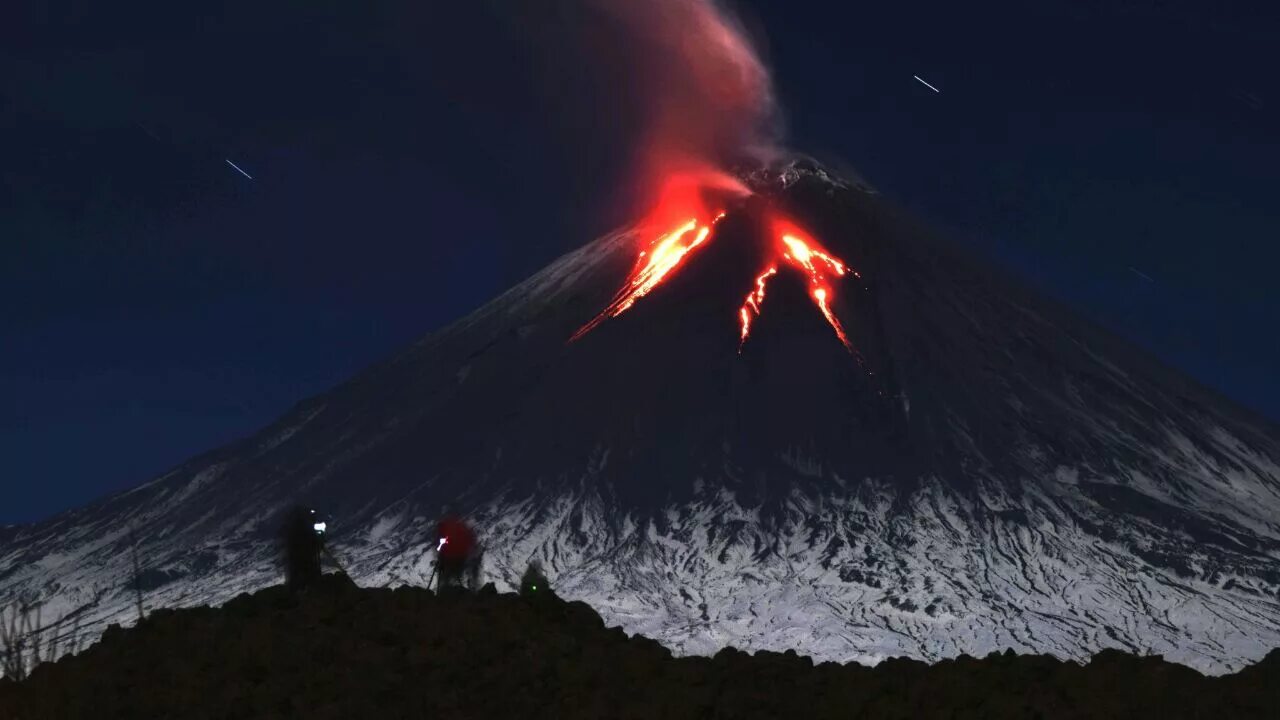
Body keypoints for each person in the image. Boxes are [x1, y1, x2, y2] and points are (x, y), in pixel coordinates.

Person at [282, 506, 326, 590]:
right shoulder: (303, 532)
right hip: (305, 559)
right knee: (307, 572)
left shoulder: (295, 532)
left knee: (302, 573)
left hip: (302, 560)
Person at [434, 515, 477, 591]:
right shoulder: (458, 530)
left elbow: (441, 545)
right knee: (455, 577)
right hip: (458, 558)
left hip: (449, 558)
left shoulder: (446, 532)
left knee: (447, 578)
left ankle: (443, 592)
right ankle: (456, 591)